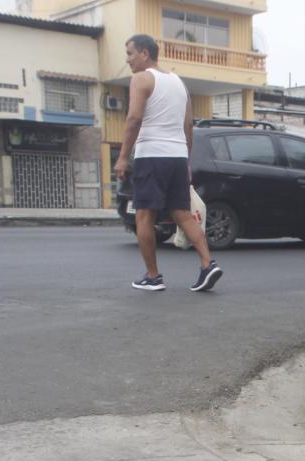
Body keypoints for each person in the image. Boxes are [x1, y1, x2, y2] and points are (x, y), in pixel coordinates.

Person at [113, 34, 222, 293]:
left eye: (130, 53)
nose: (127, 59)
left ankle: (153, 276)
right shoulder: (177, 82)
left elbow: (134, 119)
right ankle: (208, 263)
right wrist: (186, 159)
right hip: (176, 156)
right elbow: (188, 125)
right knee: (182, 214)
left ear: (144, 54)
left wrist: (123, 156)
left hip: (151, 154)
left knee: (144, 215)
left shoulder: (141, 78)